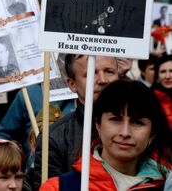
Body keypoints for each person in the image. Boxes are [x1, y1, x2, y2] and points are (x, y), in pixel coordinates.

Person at [40, 79, 172, 190]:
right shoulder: (59, 188)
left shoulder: (166, 185)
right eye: (115, 120)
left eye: (137, 123)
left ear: (152, 133)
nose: (125, 133)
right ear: (98, 125)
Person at [32, 55, 120, 190]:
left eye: (109, 71)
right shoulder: (53, 138)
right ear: (72, 84)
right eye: (91, 73)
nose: (103, 80)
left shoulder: (140, 128)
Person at [152, 54, 172, 130]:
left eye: (171, 71)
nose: (167, 76)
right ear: (157, 77)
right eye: (163, 72)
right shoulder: (149, 99)